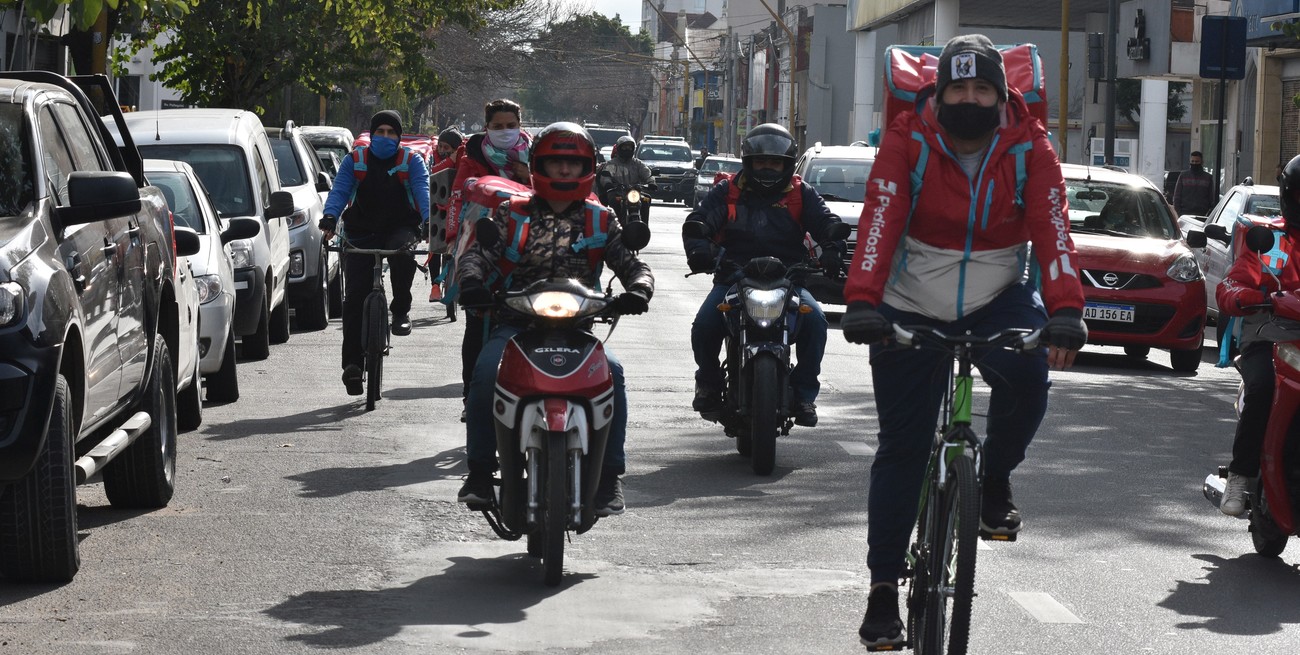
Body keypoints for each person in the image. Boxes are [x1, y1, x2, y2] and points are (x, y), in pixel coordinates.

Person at [838, 34, 1088, 647]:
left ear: (1002, 97)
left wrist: (1066, 311)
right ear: (938, 93)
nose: (969, 99)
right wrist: (863, 301)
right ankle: (882, 590)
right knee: (903, 448)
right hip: (909, 297)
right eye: (958, 88)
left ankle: (994, 478)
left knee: (1029, 376)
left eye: (982, 89)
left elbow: (1052, 228)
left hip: (997, 293)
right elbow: (879, 219)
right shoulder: (907, 140)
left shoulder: (1031, 146)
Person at [454, 122, 654, 515]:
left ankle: (610, 477)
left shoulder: (601, 218)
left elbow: (633, 265)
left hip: (579, 328)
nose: (564, 170)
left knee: (613, 374)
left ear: (587, 168)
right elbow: (478, 255)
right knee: (485, 374)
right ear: (538, 166)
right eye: (555, 162)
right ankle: (479, 472)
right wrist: (472, 282)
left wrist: (639, 289)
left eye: (573, 164)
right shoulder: (511, 213)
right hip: (516, 325)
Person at [683, 122, 846, 428]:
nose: (768, 168)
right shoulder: (727, 191)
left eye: (775, 163)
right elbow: (699, 221)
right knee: (704, 324)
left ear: (787, 164)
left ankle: (804, 394)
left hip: (789, 278)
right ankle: (708, 383)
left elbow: (827, 221)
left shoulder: (801, 193)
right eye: (761, 162)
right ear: (749, 162)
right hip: (734, 275)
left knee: (816, 322)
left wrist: (833, 248)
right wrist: (699, 250)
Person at [319, 110, 430, 395]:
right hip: (360, 231)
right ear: (372, 134)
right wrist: (330, 217)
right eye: (379, 131)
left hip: (400, 228)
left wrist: (429, 220)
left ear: (399, 137)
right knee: (354, 299)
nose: (385, 137)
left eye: (391, 132)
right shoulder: (355, 160)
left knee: (404, 255)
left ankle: (400, 310)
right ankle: (352, 366)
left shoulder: (411, 161)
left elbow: (422, 190)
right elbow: (340, 191)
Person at [1214, 154, 1300, 516]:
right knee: (1263, 388)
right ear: (1289, 195)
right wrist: (1245, 295)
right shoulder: (1268, 237)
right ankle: (1240, 474)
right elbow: (1232, 282)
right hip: (1270, 336)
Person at [445, 99, 533, 421]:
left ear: (520, 125)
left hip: (529, 251)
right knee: (477, 326)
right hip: (483, 250)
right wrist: (454, 242)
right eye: (498, 127)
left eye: (511, 125)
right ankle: (472, 396)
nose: (505, 131)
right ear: (487, 128)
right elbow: (459, 198)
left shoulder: (536, 156)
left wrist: (529, 177)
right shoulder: (473, 159)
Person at [427, 127, 464, 302]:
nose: (442, 150)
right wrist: (450, 160)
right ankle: (435, 285)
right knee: (434, 247)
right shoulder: (435, 157)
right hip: (438, 209)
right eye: (440, 146)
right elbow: (434, 171)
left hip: (458, 208)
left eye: (446, 147)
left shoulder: (464, 159)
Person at [596, 135, 651, 200]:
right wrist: (608, 184)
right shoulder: (612, 163)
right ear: (619, 148)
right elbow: (606, 176)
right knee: (612, 199)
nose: (627, 149)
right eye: (624, 147)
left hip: (635, 193)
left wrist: (651, 182)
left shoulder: (638, 163)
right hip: (617, 192)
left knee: (646, 199)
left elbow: (646, 173)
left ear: (633, 148)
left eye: (629, 147)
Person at [1172, 150, 1217, 217]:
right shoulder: (1183, 176)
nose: (1194, 163)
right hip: (1185, 214)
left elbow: (1211, 198)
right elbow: (1177, 196)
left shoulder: (1208, 178)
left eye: (1197, 161)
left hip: (1202, 214)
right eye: (1192, 161)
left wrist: (1208, 213)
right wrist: (1179, 212)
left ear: (1202, 162)